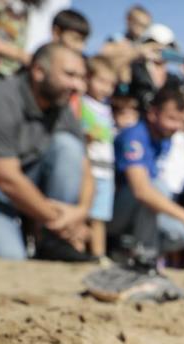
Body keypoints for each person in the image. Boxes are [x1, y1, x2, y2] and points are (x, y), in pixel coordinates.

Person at [0, 42, 92, 259]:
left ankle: (52, 245)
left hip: (16, 194)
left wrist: (80, 212)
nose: (79, 86)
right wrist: (61, 223)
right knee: (11, 257)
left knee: (68, 146)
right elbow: (6, 179)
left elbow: (85, 168)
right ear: (38, 71)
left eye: (82, 78)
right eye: (70, 75)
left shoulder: (62, 108)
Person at [107, 85, 184, 268]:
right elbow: (141, 191)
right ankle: (144, 257)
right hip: (114, 213)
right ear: (153, 113)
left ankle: (128, 251)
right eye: (171, 119)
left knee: (183, 235)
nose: (176, 126)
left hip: (140, 213)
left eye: (180, 121)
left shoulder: (164, 139)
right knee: (157, 189)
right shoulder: (134, 137)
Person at [81, 55, 117, 258]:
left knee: (99, 216)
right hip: (89, 168)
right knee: (84, 212)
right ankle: (81, 251)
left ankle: (98, 255)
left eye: (111, 83)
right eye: (102, 81)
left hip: (105, 170)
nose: (107, 88)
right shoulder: (82, 104)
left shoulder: (106, 108)